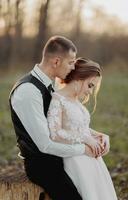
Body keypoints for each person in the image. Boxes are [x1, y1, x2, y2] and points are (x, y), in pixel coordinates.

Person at [9, 36, 88, 200]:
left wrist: (92, 136)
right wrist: (83, 149)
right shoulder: (28, 91)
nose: (73, 68)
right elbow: (44, 145)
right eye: (71, 62)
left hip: (59, 158)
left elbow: (62, 125)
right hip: (43, 167)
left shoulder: (48, 85)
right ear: (56, 61)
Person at [47, 57, 118, 200]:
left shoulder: (75, 100)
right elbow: (54, 133)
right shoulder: (57, 99)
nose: (90, 92)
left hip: (92, 158)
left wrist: (101, 135)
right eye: (90, 85)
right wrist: (86, 139)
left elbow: (81, 127)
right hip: (76, 159)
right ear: (79, 78)